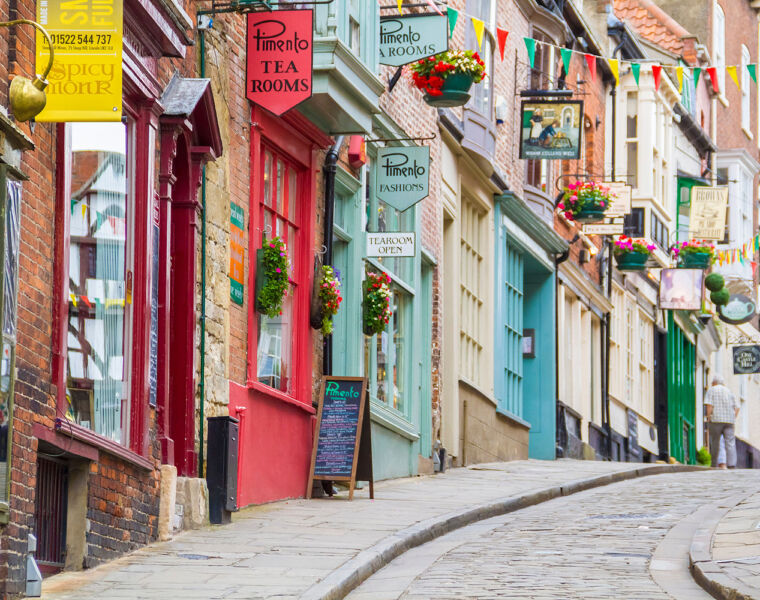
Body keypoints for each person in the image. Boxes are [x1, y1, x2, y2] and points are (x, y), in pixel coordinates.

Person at [705, 375, 740, 468]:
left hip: (716, 420)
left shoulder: (711, 390)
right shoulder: (729, 391)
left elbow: (709, 405)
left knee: (715, 442)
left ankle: (713, 464)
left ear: (714, 383)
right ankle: (732, 465)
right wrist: (733, 417)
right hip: (729, 421)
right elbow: (737, 407)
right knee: (730, 443)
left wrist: (708, 417)